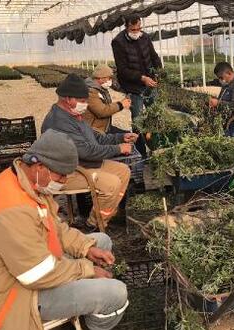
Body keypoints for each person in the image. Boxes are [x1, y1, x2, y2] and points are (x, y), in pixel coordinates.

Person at [0, 129, 128, 330]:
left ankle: (82, 306)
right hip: (16, 293)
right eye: (61, 175)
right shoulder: (12, 209)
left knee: (101, 241)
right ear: (40, 167)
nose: (63, 181)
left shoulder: (25, 181)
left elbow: (55, 227)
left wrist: (86, 248)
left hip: (26, 266)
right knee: (116, 293)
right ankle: (89, 326)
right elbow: (36, 274)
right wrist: (87, 269)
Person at [41, 74, 135, 229]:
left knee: (123, 171)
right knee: (111, 184)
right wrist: (118, 149)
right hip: (66, 172)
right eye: (82, 101)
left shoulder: (74, 115)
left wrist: (120, 138)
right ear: (68, 99)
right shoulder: (59, 121)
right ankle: (94, 224)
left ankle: (107, 214)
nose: (85, 105)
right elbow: (86, 151)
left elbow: (95, 139)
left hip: (82, 164)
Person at [112, 14, 162, 156]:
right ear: (126, 27)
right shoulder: (118, 42)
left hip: (150, 84)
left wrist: (159, 71)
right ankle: (141, 153)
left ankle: (157, 147)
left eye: (139, 28)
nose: (136, 32)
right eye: (133, 29)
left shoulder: (144, 37)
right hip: (134, 88)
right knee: (138, 121)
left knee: (156, 115)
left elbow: (153, 56)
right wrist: (141, 78)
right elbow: (122, 70)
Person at [85, 64, 132, 134]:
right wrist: (120, 105)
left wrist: (122, 103)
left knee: (128, 135)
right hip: (95, 131)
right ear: (100, 78)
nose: (111, 81)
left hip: (104, 127)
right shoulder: (90, 92)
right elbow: (102, 111)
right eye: (109, 78)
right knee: (126, 138)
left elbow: (107, 106)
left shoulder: (101, 89)